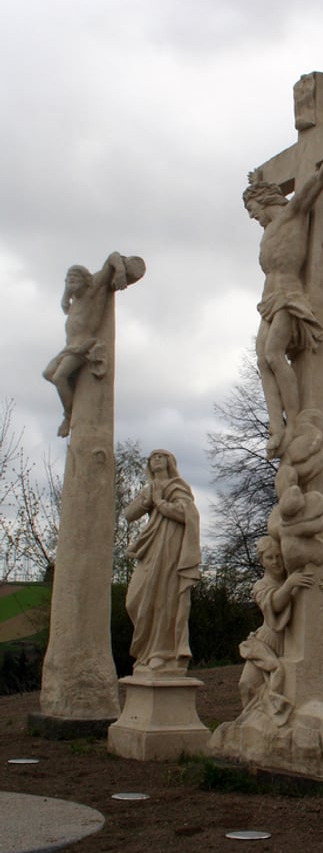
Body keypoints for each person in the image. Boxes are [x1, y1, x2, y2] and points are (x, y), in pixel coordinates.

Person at [244, 104, 323, 459]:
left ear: (266, 202)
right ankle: (277, 425)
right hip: (269, 299)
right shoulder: (268, 232)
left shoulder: (294, 213)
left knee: (273, 353)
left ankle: (293, 421)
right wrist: (257, 180)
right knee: (262, 359)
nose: (254, 218)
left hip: (289, 294)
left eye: (254, 210)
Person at [238, 534, 323, 723]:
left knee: (319, 681)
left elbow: (319, 609)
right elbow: (273, 605)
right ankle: (254, 722)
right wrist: (290, 584)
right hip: (268, 641)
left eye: (279, 556)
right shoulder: (261, 584)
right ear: (261, 560)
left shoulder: (298, 578)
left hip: (294, 640)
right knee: (247, 684)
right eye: (270, 557)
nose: (276, 562)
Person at [43, 252, 144, 437]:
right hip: (69, 347)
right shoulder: (75, 300)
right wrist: (67, 292)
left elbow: (112, 256)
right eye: (68, 279)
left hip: (84, 346)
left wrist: (120, 271)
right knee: (47, 373)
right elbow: (65, 307)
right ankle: (72, 403)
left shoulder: (94, 287)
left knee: (59, 377)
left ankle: (68, 415)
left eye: (75, 277)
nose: (71, 281)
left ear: (85, 279)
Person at [123, 450, 201, 675]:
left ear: (170, 462)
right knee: (134, 600)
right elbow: (129, 515)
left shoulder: (177, 487)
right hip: (151, 548)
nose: (156, 459)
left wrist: (159, 502)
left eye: (161, 456)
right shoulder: (150, 490)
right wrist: (147, 501)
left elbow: (187, 514)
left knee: (164, 599)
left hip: (170, 546)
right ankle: (147, 651)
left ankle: (162, 653)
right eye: (152, 457)